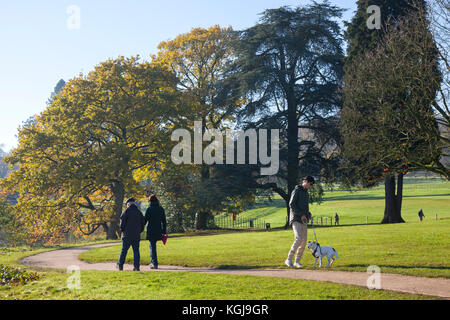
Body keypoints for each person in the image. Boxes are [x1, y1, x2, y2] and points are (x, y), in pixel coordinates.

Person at [285, 176, 315, 268]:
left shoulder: (306, 193)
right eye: (310, 184)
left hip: (304, 219)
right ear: (305, 181)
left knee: (304, 241)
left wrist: (308, 214)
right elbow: (292, 204)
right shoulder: (297, 190)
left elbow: (305, 207)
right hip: (296, 219)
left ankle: (297, 261)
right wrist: (301, 214)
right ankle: (289, 259)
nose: (311, 186)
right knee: (298, 238)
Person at [117, 198, 145, 271]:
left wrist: (122, 231)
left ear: (128, 204)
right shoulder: (139, 212)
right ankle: (136, 267)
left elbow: (122, 224)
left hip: (126, 235)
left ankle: (120, 265)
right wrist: (139, 231)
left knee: (124, 250)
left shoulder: (126, 212)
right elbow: (143, 224)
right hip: (136, 235)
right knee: (136, 251)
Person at [144, 194, 167, 269]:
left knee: (152, 246)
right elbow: (164, 221)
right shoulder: (161, 209)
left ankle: (154, 263)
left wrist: (140, 228)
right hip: (158, 229)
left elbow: (145, 220)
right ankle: (153, 262)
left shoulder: (149, 209)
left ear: (150, 201)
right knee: (152, 246)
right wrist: (164, 231)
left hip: (151, 229)